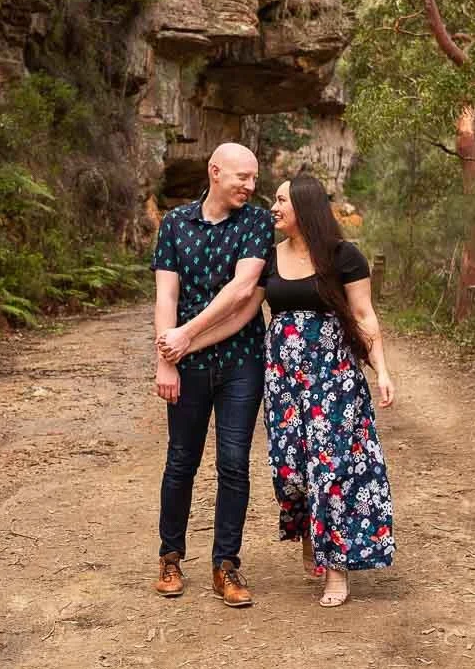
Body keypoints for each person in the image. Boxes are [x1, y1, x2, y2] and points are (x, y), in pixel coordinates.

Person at [175, 172, 395, 607]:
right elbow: (243, 314)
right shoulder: (270, 257)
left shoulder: (344, 256)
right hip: (284, 382)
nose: (272, 208)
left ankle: (336, 569)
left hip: (333, 379)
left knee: (331, 470)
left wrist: (382, 371)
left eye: (281, 201)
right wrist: (190, 341)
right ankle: (312, 530)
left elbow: (364, 315)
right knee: (291, 469)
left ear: (304, 207)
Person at [148, 142, 274, 608]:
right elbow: (166, 296)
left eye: (254, 178)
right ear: (215, 172)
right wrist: (167, 359)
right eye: (243, 177)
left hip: (242, 361)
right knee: (181, 460)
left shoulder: (257, 222)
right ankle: (170, 557)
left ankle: (226, 565)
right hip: (186, 365)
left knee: (234, 463)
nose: (251, 186)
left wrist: (186, 335)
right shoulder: (175, 224)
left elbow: (243, 292)